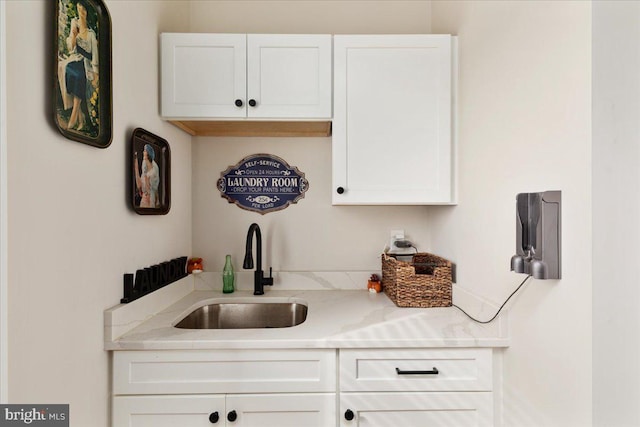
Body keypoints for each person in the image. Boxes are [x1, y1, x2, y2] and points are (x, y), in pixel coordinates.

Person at [58, 0, 98, 132]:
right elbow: (71, 47)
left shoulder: (91, 33)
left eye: (84, 9)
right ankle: (80, 118)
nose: (81, 11)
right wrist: (74, 36)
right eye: (79, 7)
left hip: (86, 63)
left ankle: (74, 116)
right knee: (69, 70)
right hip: (76, 59)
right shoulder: (74, 24)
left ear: (87, 13)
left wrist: (96, 73)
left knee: (81, 75)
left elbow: (95, 55)